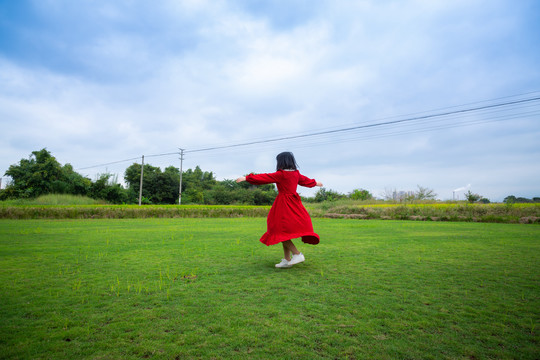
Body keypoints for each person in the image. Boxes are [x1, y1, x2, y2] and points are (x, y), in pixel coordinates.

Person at [236, 152, 323, 268]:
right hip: (294, 203)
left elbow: (264, 177)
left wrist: (247, 178)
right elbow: (306, 181)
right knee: (283, 231)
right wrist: (316, 183)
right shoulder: (296, 174)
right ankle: (287, 260)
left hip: (284, 204)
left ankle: (297, 254)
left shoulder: (281, 174)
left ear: (281, 162)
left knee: (278, 231)